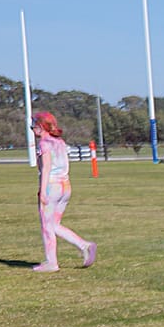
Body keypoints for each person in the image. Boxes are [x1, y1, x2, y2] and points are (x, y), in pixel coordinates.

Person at [30, 110, 95, 272]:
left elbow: (45, 168)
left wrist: (42, 191)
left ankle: (51, 262)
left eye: (34, 126)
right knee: (54, 225)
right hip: (65, 186)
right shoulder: (60, 142)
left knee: (47, 226)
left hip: (51, 187)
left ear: (40, 126)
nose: (32, 129)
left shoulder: (44, 143)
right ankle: (84, 246)